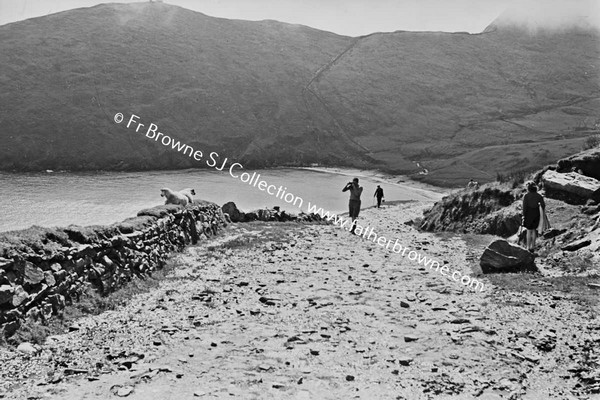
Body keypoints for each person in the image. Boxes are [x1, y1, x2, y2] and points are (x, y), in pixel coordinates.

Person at [522, 181, 545, 253]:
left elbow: (524, 207)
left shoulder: (526, 196)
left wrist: (523, 215)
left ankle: (528, 247)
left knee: (529, 231)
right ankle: (533, 246)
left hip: (528, 214)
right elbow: (543, 205)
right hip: (536, 214)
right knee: (534, 230)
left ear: (528, 188)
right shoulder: (539, 196)